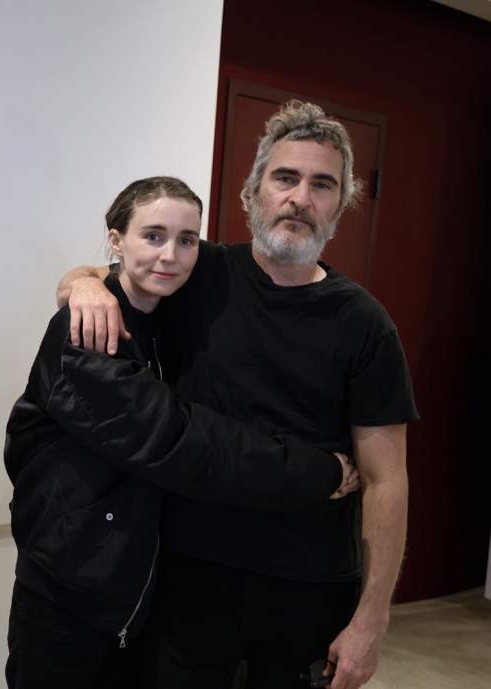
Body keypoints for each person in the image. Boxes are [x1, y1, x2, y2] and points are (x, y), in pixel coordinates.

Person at [57, 102, 417, 689]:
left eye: (322, 185)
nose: (300, 198)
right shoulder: (198, 274)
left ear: (339, 206)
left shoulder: (365, 324)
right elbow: (116, 269)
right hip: (186, 576)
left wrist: (371, 622)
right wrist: (81, 285)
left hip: (309, 585)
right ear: (251, 194)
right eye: (285, 178)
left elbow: (386, 479)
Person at [5, 176, 360, 689]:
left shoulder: (167, 314)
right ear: (116, 241)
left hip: (133, 591)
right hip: (67, 590)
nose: (170, 255)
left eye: (187, 239)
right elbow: (179, 439)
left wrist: (82, 277)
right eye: (152, 236)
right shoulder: (85, 334)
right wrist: (318, 471)